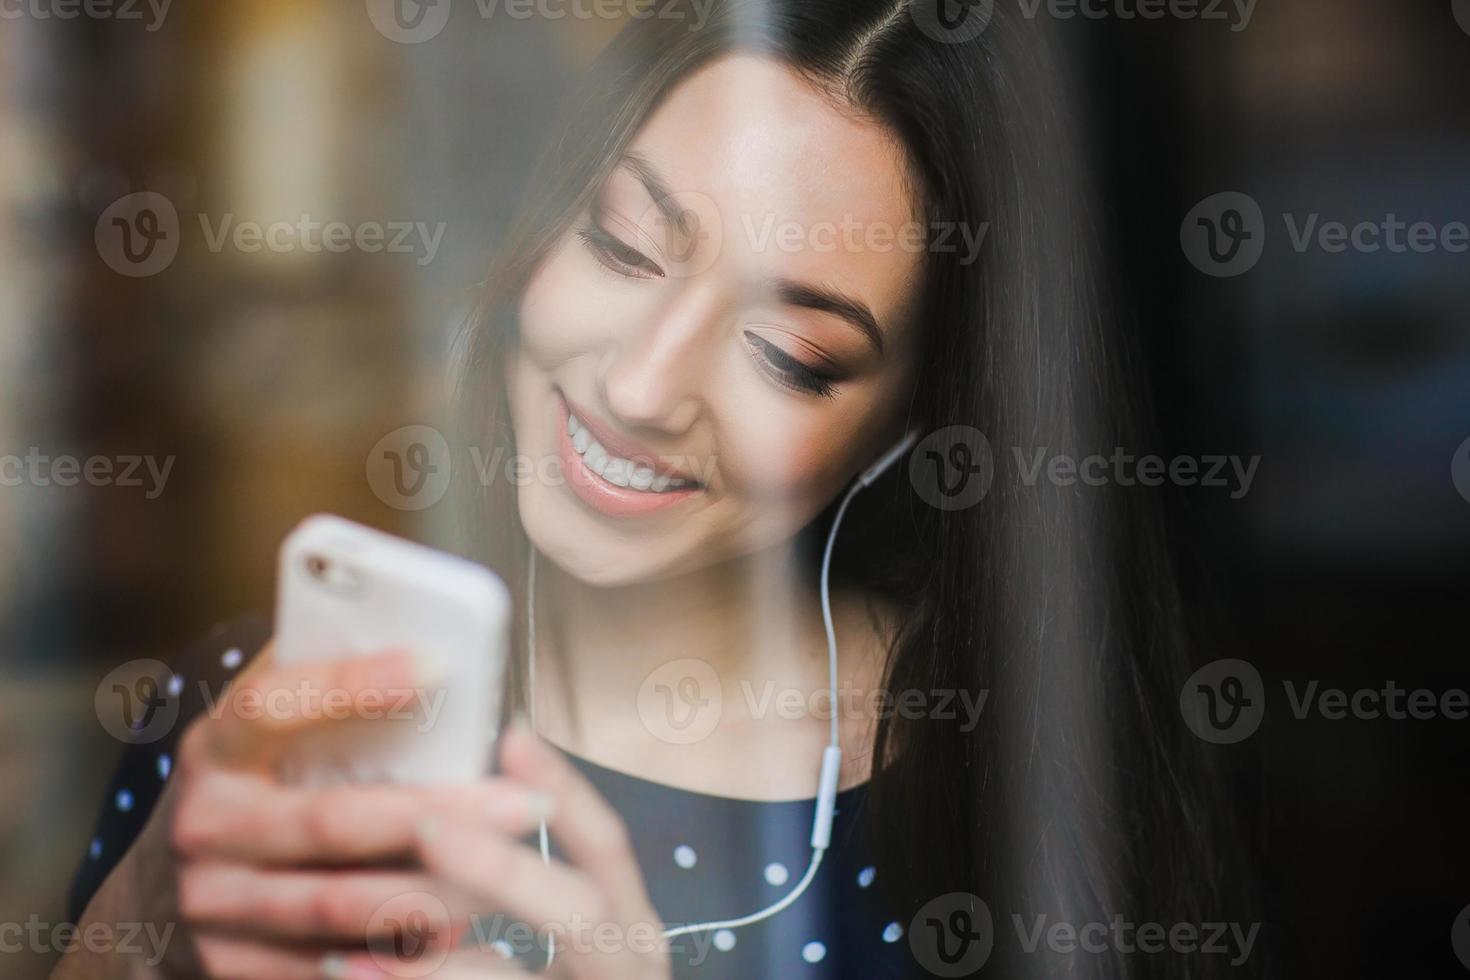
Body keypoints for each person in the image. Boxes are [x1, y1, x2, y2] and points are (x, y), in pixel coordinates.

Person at [62, 1, 1250, 977]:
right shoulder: (253, 720)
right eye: (625, 243)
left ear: (909, 426)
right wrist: (146, 922)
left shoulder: (1012, 778)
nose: (637, 385)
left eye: (788, 356)